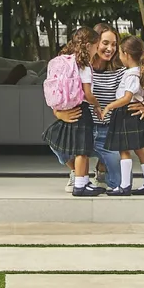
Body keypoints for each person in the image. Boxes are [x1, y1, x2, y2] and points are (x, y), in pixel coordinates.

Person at [101, 36, 144, 195]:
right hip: (133, 115)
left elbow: (126, 98)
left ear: (126, 54)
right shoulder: (138, 71)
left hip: (127, 115)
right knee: (141, 151)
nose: (118, 56)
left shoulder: (132, 75)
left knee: (124, 151)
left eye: (120, 52)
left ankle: (125, 186)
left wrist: (108, 107)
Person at [42, 30, 99, 196]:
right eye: (95, 46)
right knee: (82, 150)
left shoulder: (66, 61)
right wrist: (97, 105)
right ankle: (80, 186)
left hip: (68, 108)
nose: (96, 50)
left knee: (73, 147)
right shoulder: (84, 65)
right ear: (88, 46)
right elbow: (88, 94)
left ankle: (82, 182)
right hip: (81, 110)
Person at [83, 24, 126, 191]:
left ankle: (102, 169)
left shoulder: (120, 71)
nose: (110, 48)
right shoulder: (81, 68)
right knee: (55, 139)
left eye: (114, 44)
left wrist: (143, 105)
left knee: (120, 183)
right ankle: (76, 173)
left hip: (106, 132)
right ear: (94, 44)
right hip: (83, 128)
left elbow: (131, 94)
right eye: (105, 43)